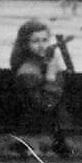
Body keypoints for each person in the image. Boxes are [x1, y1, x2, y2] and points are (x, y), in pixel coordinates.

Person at [10, 20, 70, 152]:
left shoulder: (42, 63)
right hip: (39, 129)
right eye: (35, 41)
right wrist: (50, 76)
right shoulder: (27, 71)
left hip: (51, 124)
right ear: (25, 45)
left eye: (45, 40)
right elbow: (45, 105)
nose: (42, 46)